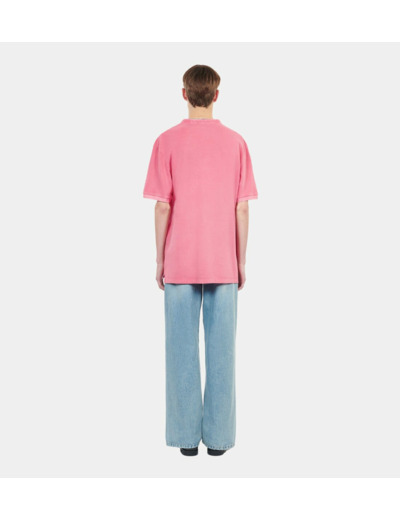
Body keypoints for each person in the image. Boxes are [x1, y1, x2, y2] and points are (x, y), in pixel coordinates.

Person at [143, 64, 258, 457]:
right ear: (216, 95)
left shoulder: (165, 141)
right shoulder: (236, 142)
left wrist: (159, 259)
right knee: (223, 352)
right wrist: (241, 260)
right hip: (223, 261)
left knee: (180, 352)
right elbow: (242, 208)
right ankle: (219, 441)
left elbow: (162, 206)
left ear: (184, 94)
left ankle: (185, 440)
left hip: (180, 261)